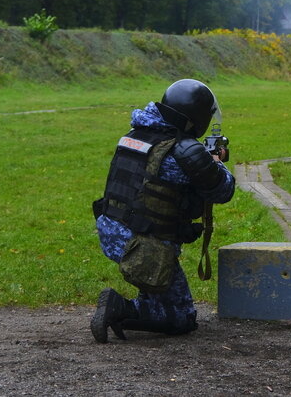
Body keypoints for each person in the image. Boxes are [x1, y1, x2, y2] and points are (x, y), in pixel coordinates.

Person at [91, 79, 235, 343]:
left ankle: (146, 300)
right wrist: (214, 161)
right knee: (180, 318)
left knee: (162, 296)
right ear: (195, 118)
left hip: (113, 232)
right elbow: (222, 190)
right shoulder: (182, 152)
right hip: (143, 248)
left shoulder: (136, 134)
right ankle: (117, 307)